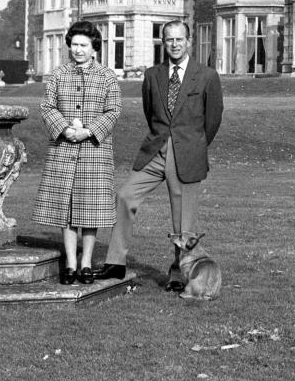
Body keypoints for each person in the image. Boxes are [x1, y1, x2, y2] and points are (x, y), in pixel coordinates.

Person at [95, 20, 223, 292]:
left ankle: (178, 274)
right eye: (169, 40)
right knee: (125, 195)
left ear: (188, 41)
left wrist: (193, 147)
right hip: (155, 150)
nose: (175, 44)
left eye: (179, 39)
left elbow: (212, 121)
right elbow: (151, 112)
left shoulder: (207, 76)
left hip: (187, 154)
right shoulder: (153, 75)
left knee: (183, 222)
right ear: (163, 42)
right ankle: (116, 262)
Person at [32, 21, 122, 285]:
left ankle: (86, 263)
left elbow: (114, 110)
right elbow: (47, 107)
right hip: (64, 149)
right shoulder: (58, 75)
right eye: (74, 45)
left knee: (90, 208)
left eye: (84, 45)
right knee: (67, 208)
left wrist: (89, 131)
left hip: (95, 150)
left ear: (94, 47)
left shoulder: (107, 77)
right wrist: (64, 129)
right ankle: (70, 263)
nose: (78, 50)